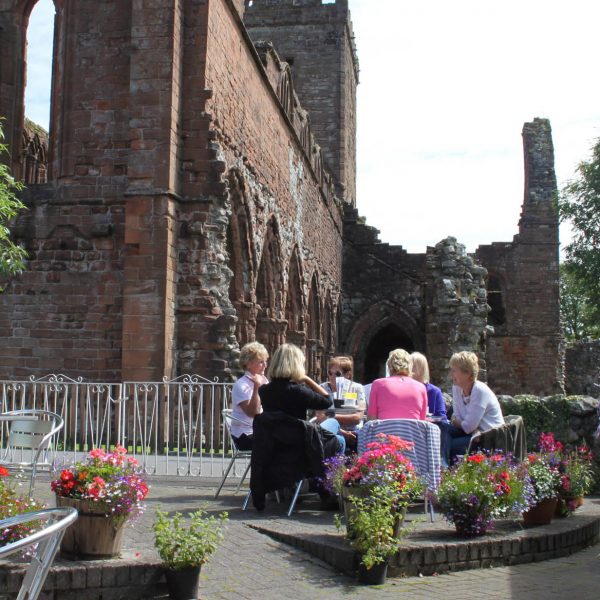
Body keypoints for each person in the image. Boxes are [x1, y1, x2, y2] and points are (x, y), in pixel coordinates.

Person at [259, 343, 344, 453]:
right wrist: (307, 379)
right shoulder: (298, 391)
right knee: (338, 434)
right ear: (296, 366)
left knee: (336, 435)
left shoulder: (264, 390)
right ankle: (334, 469)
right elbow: (327, 401)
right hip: (299, 440)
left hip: (274, 440)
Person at [440, 351, 504, 466]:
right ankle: (442, 467)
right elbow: (458, 417)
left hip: (485, 438)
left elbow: (467, 426)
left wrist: (460, 423)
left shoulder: (479, 390)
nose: (451, 374)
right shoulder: (457, 388)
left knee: (448, 446)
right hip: (471, 433)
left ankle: (442, 469)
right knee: (442, 427)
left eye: (454, 370)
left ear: (467, 373)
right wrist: (461, 423)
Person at [316, 355, 366, 451]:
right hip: (332, 432)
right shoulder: (322, 389)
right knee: (335, 439)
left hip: (354, 433)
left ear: (348, 374)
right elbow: (320, 418)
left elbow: (357, 417)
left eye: (337, 374)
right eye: (330, 373)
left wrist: (330, 415)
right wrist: (343, 432)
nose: (332, 377)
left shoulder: (357, 388)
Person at [367, 349, 428, 421]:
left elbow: (371, 419)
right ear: (410, 366)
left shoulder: (378, 384)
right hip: (412, 431)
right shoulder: (421, 387)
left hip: (385, 431)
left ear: (389, 366)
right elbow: (422, 421)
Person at [230, 342, 269, 450]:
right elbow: (253, 412)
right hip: (245, 435)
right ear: (248, 364)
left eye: (265, 361)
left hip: (262, 430)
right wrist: (256, 387)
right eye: (261, 362)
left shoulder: (265, 381)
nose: (265, 365)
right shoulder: (241, 385)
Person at [410, 351, 448, 421]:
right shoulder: (405, 391)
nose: (408, 369)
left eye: (412, 366)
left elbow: (443, 418)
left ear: (421, 369)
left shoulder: (434, 391)